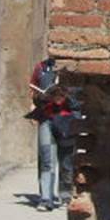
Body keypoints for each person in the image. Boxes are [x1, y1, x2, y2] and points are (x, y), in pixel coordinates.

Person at [27, 57, 81, 211]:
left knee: (66, 160)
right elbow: (34, 89)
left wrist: (66, 97)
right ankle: (46, 198)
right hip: (46, 119)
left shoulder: (75, 68)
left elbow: (81, 99)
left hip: (67, 121)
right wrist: (35, 104)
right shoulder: (42, 67)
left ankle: (65, 196)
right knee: (46, 159)